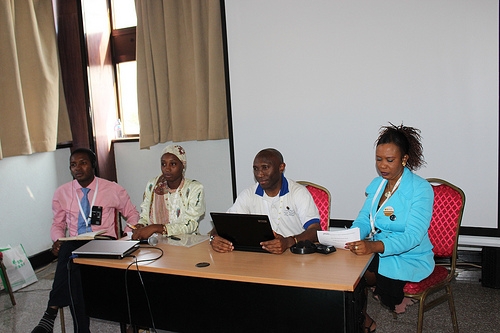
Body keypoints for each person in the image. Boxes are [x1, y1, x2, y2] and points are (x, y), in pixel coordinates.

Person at [32, 148, 140, 333]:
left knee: (69, 255)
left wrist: (125, 237)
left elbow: (133, 215)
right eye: (73, 164)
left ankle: (51, 313)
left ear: (93, 165)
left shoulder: (112, 189)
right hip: (75, 245)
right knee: (74, 272)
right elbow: (57, 224)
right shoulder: (62, 193)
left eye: (83, 163)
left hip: (104, 242)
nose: (77, 168)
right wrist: (58, 239)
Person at [345, 123, 434, 333]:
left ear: (404, 159)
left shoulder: (421, 189)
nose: (383, 166)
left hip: (410, 256)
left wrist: (373, 246)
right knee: (347, 267)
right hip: (379, 249)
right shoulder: (377, 185)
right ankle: (361, 321)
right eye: (379, 159)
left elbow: (413, 236)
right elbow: (364, 220)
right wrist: (349, 237)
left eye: (389, 160)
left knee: (357, 275)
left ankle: (360, 320)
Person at [210, 148, 321, 254]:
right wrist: (214, 238)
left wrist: (288, 242)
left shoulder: (298, 193)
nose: (259, 174)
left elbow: (315, 230)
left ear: (281, 167)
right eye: (256, 169)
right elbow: (223, 224)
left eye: (265, 167)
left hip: (293, 255)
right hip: (260, 257)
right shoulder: (248, 194)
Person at [131, 144, 205, 241]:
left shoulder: (194, 188)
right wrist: (141, 226)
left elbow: (190, 224)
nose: (167, 169)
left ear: (183, 165)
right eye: (163, 164)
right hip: (155, 242)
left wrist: (156, 228)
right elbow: (145, 214)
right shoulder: (153, 185)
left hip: (186, 243)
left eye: (173, 164)